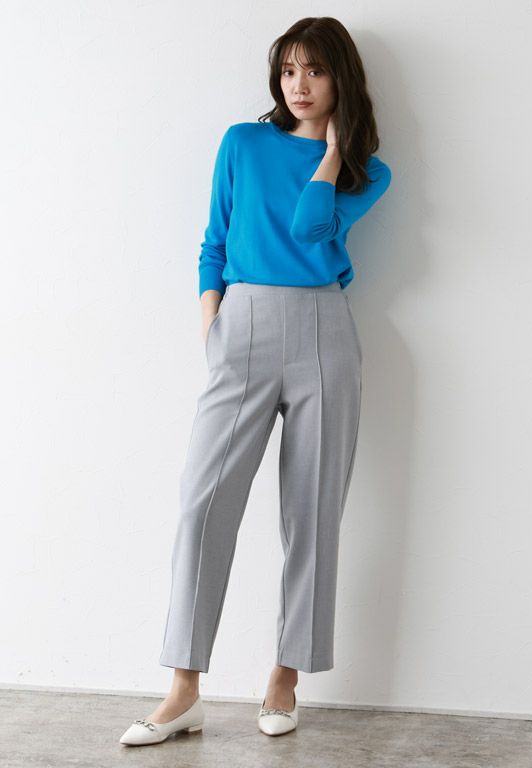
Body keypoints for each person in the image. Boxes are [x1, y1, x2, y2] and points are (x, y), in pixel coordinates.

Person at [120, 16, 392, 746]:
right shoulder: (242, 142)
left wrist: (332, 154)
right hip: (241, 326)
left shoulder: (368, 171)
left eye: (315, 71)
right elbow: (213, 240)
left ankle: (284, 678)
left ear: (341, 79)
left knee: (312, 514)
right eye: (289, 69)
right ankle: (183, 690)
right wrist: (214, 325)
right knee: (202, 502)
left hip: (325, 332)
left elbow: (309, 229)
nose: (298, 85)